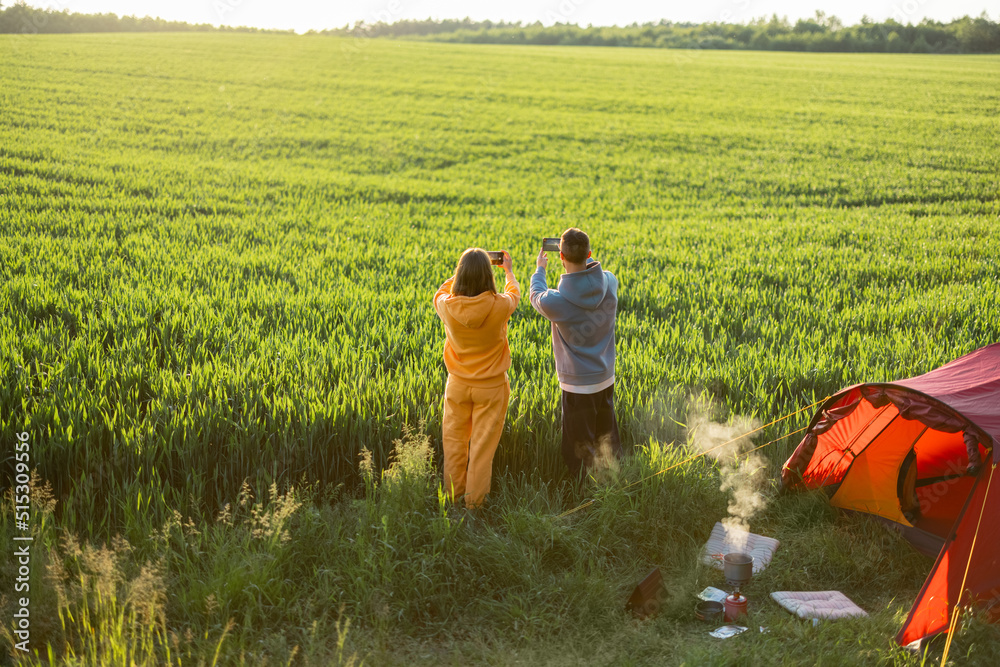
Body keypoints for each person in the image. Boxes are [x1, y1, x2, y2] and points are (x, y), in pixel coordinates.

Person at [529, 228, 621, 476]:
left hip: (577, 388)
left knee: (578, 452)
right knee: (607, 444)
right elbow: (595, 272)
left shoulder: (555, 301)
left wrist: (540, 268)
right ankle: (616, 490)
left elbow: (535, 294)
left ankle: (581, 496)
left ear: (560, 256)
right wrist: (584, 258)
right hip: (606, 378)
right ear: (589, 254)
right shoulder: (610, 281)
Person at [433, 248, 520, 508]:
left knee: (454, 444)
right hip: (491, 389)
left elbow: (440, 292)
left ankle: (452, 498)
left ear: (460, 274)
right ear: (488, 275)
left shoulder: (446, 306)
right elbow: (514, 293)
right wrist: (509, 271)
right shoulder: (500, 305)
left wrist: (457, 274)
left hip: (458, 386)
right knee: (481, 451)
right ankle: (473, 508)